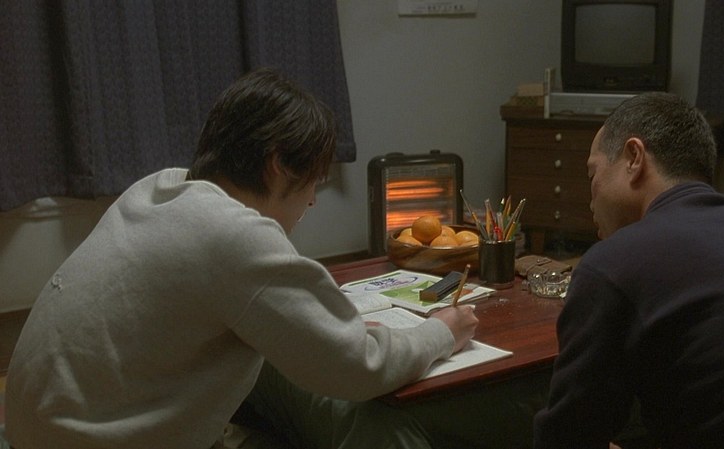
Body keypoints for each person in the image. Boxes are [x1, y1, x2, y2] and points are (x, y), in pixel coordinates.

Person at [4, 67, 480, 449]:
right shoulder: (233, 236)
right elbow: (359, 368)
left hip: (37, 426)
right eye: (314, 181)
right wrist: (442, 332)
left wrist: (326, 329)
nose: (313, 200)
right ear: (278, 166)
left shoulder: (158, 188)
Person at [532, 92, 724, 449]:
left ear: (634, 158)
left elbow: (566, 439)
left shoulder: (615, 261)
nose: (590, 199)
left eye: (593, 174)